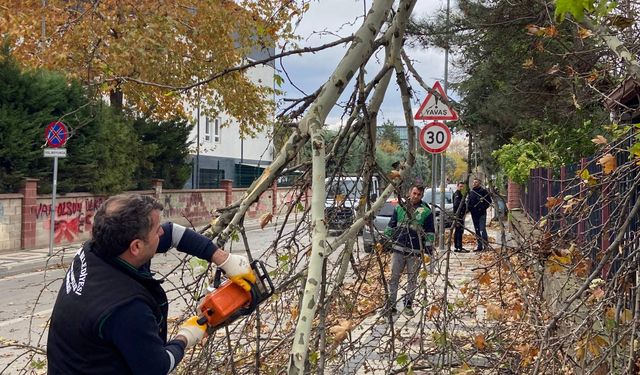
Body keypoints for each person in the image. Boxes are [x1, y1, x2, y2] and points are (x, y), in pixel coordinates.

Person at [47, 194, 256, 374]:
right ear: (136, 246)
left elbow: (173, 233)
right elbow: (157, 368)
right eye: (156, 231)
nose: (162, 233)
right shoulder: (125, 309)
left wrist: (223, 259)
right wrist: (186, 336)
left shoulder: (97, 250)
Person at [383, 184, 435, 316]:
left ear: (422, 196)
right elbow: (392, 224)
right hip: (398, 249)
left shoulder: (426, 212)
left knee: (412, 279)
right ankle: (391, 305)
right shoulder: (400, 207)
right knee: (394, 278)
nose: (416, 196)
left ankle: (408, 305)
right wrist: (385, 240)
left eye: (419, 194)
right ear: (409, 192)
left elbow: (430, 232)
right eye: (414, 193)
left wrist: (428, 248)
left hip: (415, 252)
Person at [467, 178, 492, 251]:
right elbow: (469, 202)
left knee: (482, 229)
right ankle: (479, 246)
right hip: (474, 214)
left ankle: (485, 245)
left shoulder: (483, 192)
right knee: (477, 230)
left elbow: (488, 202)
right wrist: (470, 209)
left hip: (481, 214)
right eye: (473, 182)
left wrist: (482, 208)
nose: (474, 183)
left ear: (479, 183)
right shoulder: (471, 192)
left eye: (476, 182)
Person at [452, 182, 468, 253]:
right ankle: (459, 247)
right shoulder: (457, 195)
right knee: (459, 231)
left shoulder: (459, 194)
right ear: (457, 186)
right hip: (458, 216)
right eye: (460, 186)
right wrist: (458, 215)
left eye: (462, 187)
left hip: (460, 216)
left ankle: (457, 246)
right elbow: (456, 205)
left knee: (458, 231)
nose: (461, 188)